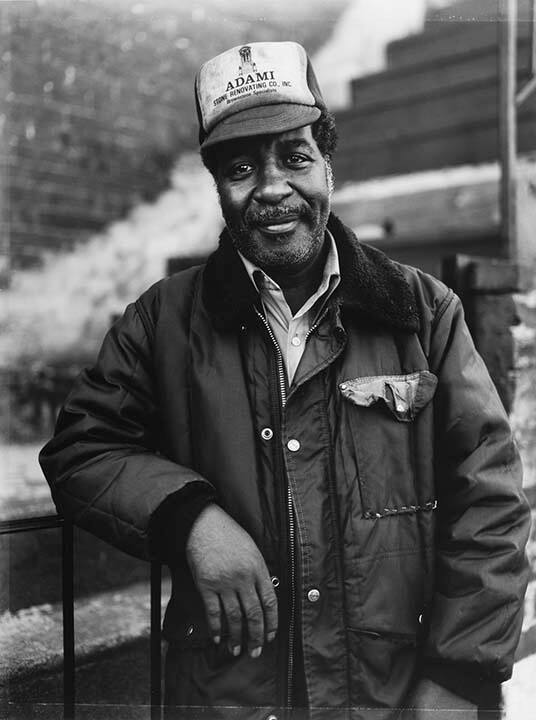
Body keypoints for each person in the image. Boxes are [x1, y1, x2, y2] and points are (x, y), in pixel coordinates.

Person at [40, 41, 531, 719]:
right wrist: (190, 519)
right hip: (227, 700)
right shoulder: (161, 322)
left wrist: (462, 674)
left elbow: (491, 500)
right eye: (241, 168)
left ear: (328, 165)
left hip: (395, 698)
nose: (271, 189)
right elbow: (82, 448)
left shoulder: (422, 311)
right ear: (218, 186)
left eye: (295, 157)